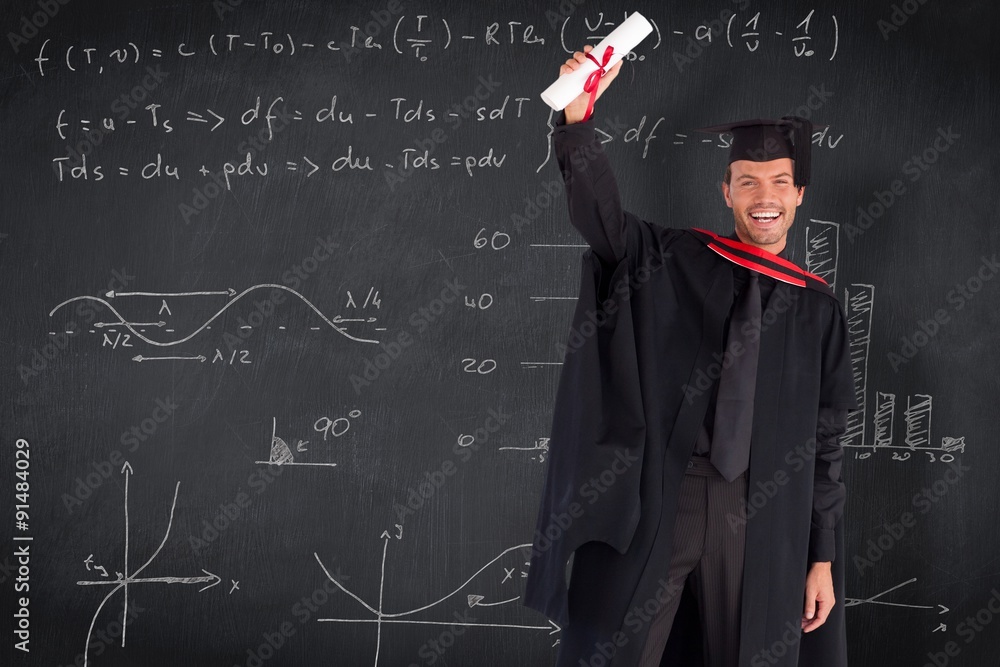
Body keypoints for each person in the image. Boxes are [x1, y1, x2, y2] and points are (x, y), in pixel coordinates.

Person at [523, 45, 859, 667]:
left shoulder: (819, 311)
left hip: (764, 512)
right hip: (669, 495)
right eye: (749, 182)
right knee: (624, 649)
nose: (765, 196)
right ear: (726, 191)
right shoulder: (671, 258)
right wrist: (577, 120)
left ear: (800, 195)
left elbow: (826, 443)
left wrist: (822, 557)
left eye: (780, 182)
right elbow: (601, 219)